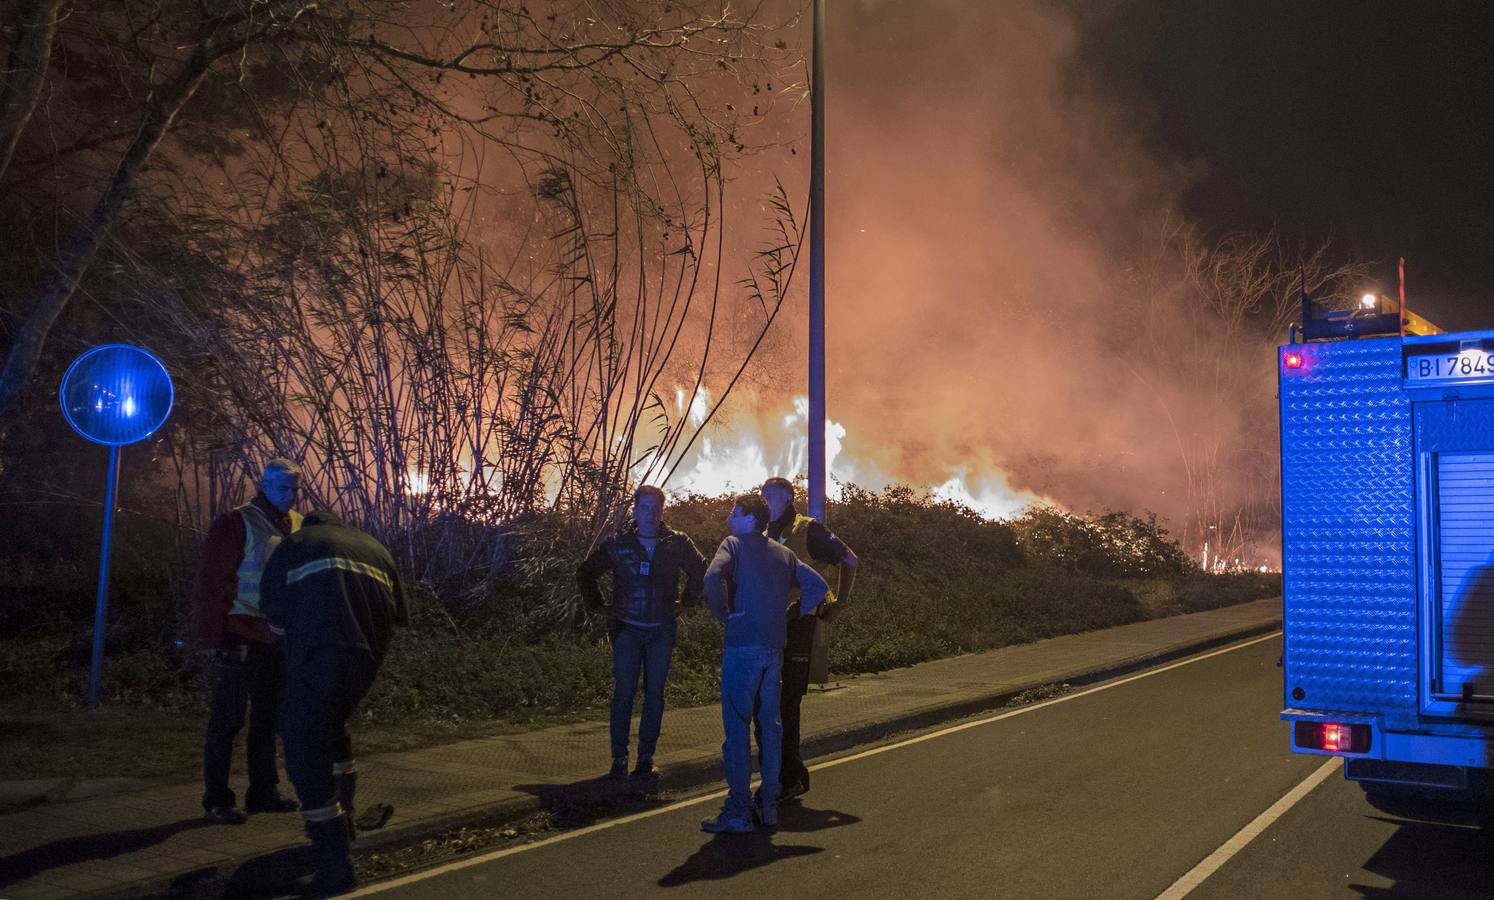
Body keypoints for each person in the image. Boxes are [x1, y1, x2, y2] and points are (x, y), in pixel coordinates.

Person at [261, 509, 409, 896]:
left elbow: (274, 618)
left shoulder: (294, 545)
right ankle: (346, 822)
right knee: (333, 729)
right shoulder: (376, 548)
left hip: (317, 657)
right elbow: (399, 615)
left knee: (303, 746)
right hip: (364, 662)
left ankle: (334, 860)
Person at [701, 493, 827, 833]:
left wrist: (722, 614)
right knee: (771, 726)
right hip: (775, 648)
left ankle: (738, 810)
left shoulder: (734, 544)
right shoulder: (783, 553)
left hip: (743, 645)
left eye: (734, 512)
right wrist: (792, 614)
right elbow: (817, 586)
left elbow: (711, 578)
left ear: (748, 519)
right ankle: (768, 805)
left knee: (738, 727)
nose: (729, 518)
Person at [190, 458, 303, 825]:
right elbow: (212, 581)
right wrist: (210, 634)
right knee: (228, 719)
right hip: (239, 631)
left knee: (267, 718)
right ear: (265, 486)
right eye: (283, 488)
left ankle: (264, 792)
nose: (290, 495)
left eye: (294, 488)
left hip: (276, 635)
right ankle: (217, 799)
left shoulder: (298, 524)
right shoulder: (236, 522)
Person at [578, 485, 707, 780]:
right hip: (628, 632)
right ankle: (619, 758)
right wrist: (601, 607)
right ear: (635, 510)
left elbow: (700, 570)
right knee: (623, 693)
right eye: (644, 508)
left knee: (654, 695)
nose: (650, 514)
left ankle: (646, 756)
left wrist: (686, 602)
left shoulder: (677, 543)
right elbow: (585, 572)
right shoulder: (619, 544)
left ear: (663, 510)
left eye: (655, 508)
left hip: (661, 629)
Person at [759, 476, 858, 801]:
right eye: (763, 496)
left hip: (799, 627)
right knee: (766, 702)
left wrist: (839, 604)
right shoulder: (761, 532)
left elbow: (849, 560)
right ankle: (782, 775)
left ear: (788, 499)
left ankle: (789, 778)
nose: (765, 501)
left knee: (787, 703)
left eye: (771, 496)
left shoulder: (807, 529)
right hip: (767, 627)